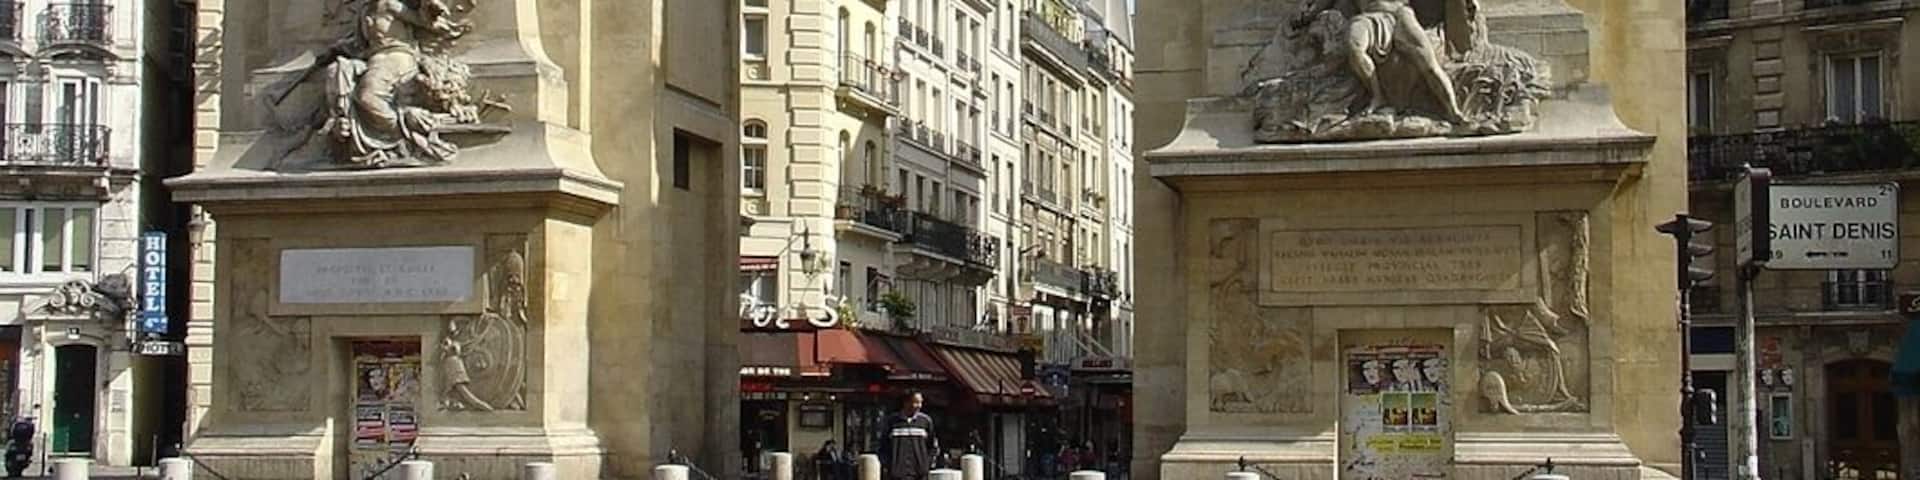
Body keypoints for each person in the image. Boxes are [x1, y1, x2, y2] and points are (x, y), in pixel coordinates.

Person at [880, 392, 937, 480]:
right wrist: (888, 465)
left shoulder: (926, 421)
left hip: (919, 474)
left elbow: (932, 446)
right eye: (916, 402)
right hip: (896, 475)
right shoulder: (892, 421)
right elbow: (883, 446)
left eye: (920, 402)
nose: (919, 406)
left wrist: (926, 465)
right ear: (906, 402)